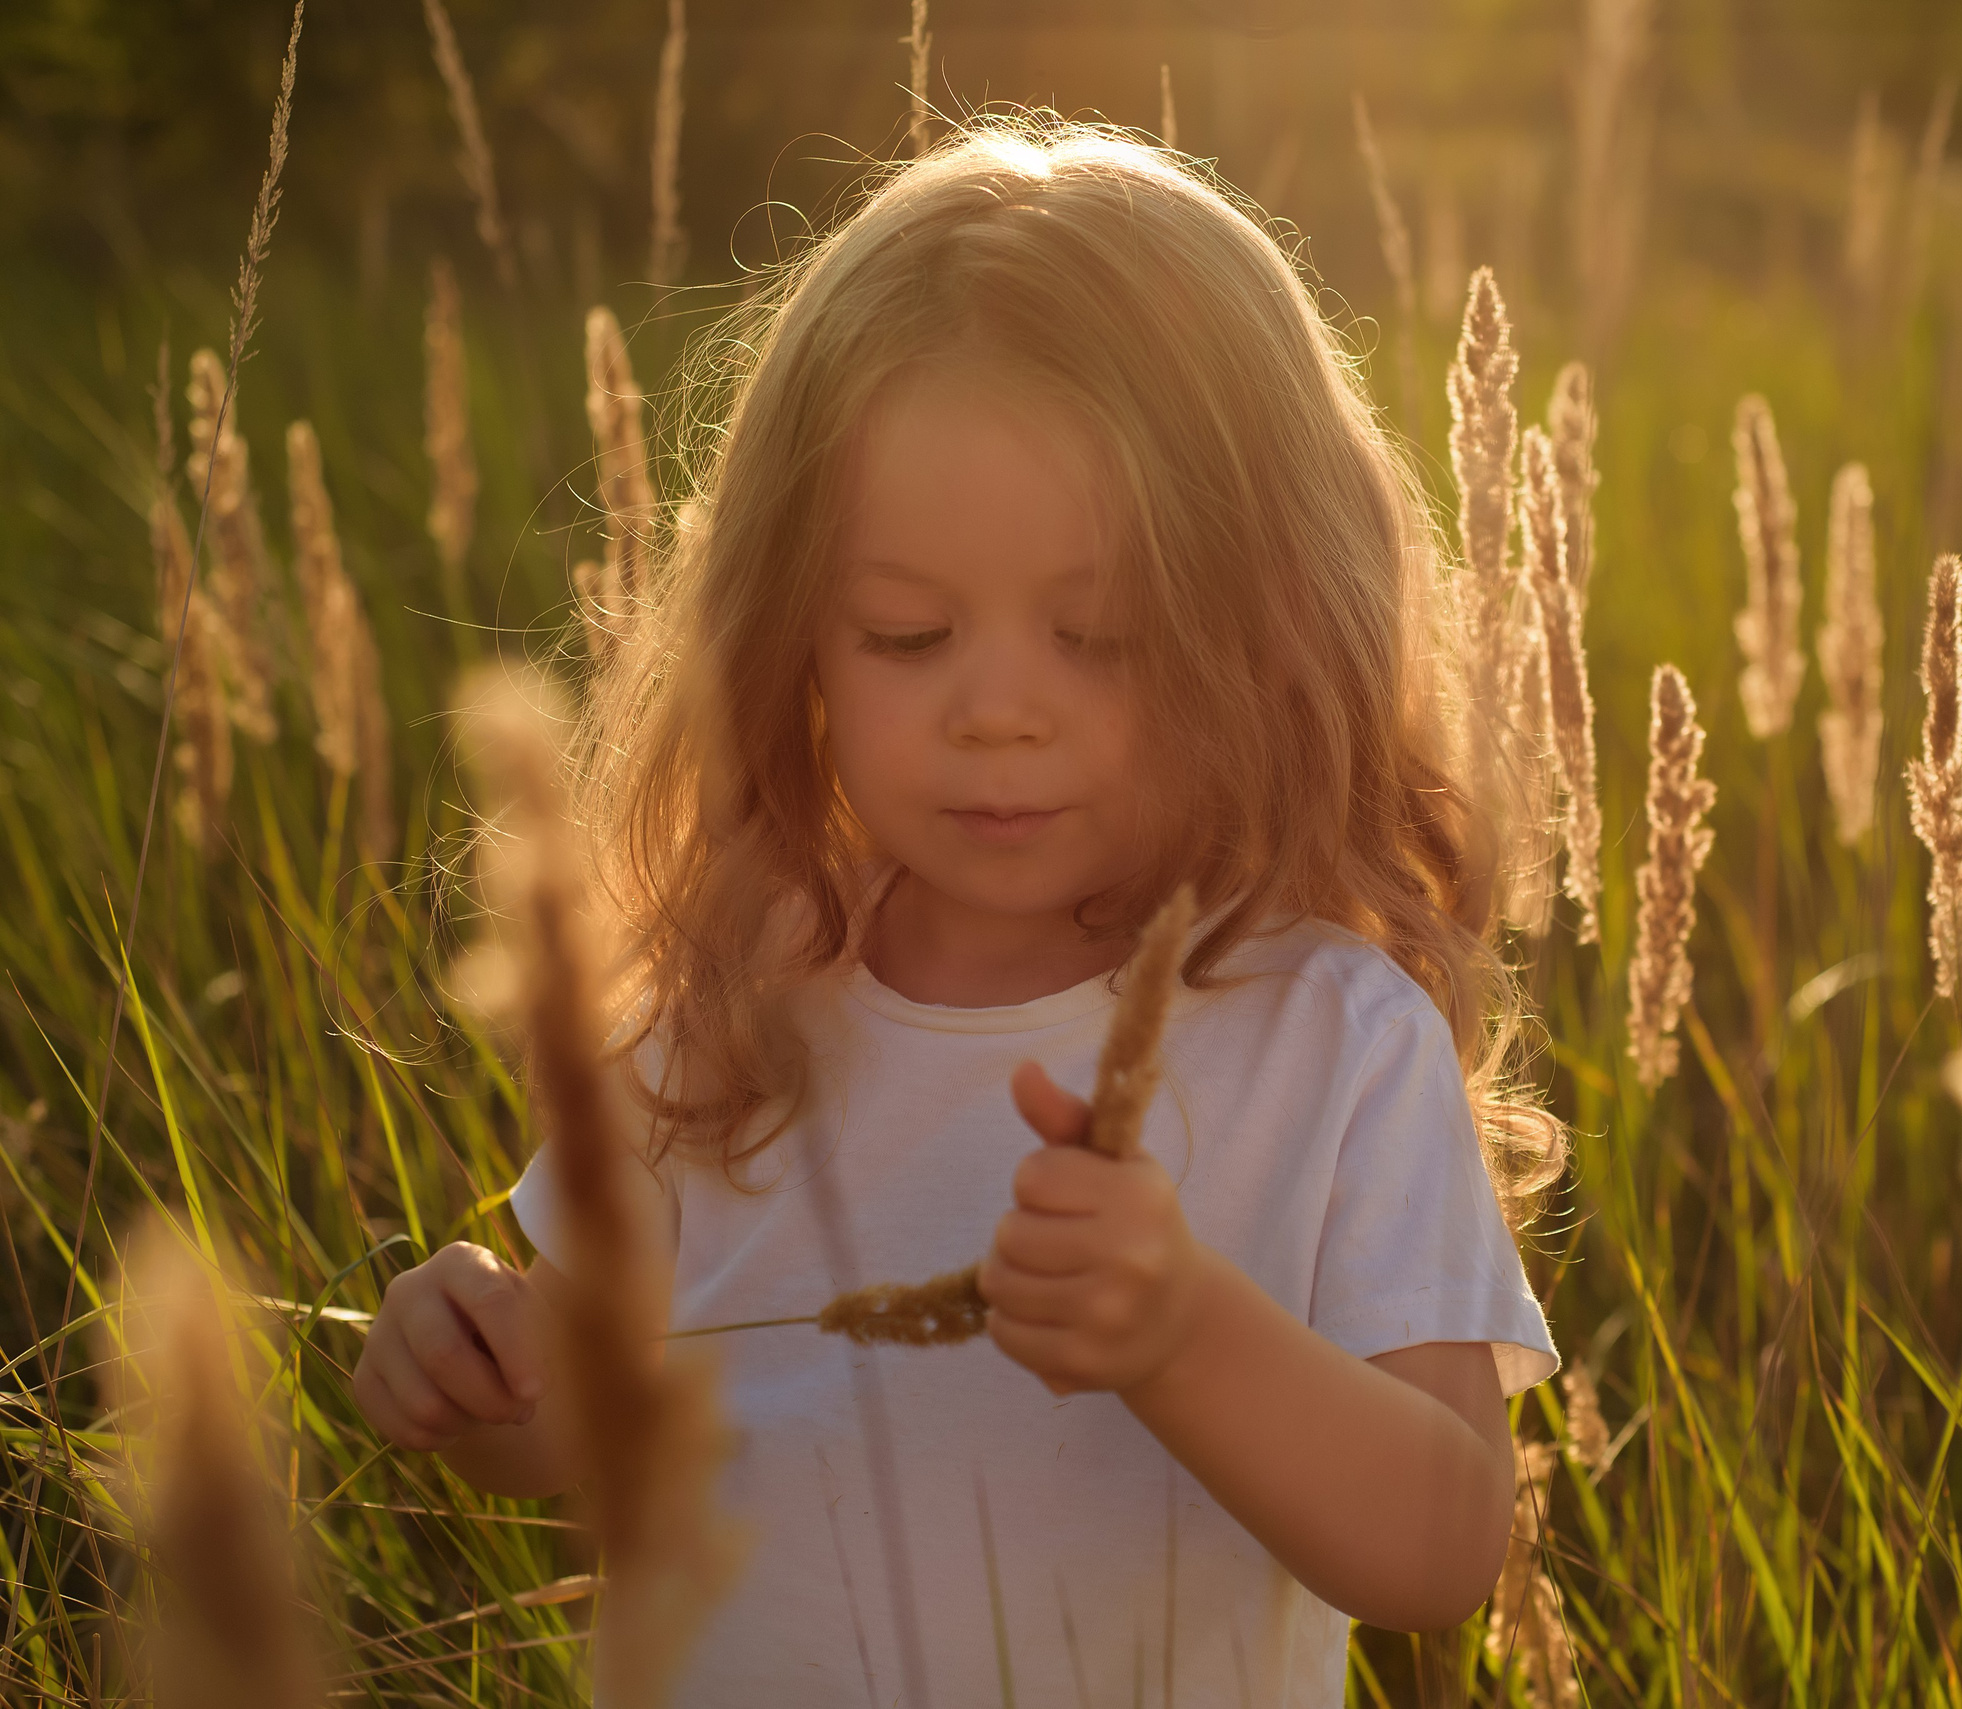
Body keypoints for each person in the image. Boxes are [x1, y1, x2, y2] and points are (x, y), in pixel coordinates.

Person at [352, 116, 1564, 1707]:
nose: (999, 711)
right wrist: (476, 1365)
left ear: (1273, 628)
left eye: (1105, 635)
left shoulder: (1328, 1035)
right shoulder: (736, 1005)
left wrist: (1184, 1329)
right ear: (790, 630)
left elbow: (1439, 1543)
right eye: (909, 635)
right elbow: (592, 1432)